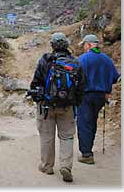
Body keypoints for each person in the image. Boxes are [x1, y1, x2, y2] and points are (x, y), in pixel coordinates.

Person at [30, 32, 84, 182]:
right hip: (67, 106)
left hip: (46, 106)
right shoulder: (76, 63)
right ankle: (66, 166)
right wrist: (76, 104)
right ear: (66, 45)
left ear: (52, 45)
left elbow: (36, 83)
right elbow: (81, 87)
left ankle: (47, 166)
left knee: (47, 136)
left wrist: (37, 99)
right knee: (67, 136)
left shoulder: (45, 60)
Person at [77, 34, 120, 165]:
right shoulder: (107, 59)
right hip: (102, 96)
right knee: (93, 121)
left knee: (84, 122)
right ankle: (88, 148)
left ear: (89, 45)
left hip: (86, 95)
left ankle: (86, 154)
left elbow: (77, 78)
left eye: (84, 45)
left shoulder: (83, 59)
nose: (83, 48)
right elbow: (115, 78)